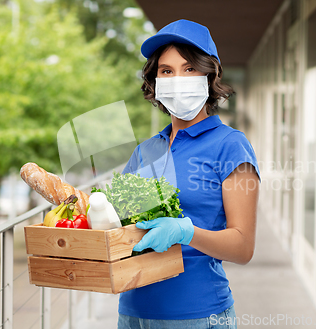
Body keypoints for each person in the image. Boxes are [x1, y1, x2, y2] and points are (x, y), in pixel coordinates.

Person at [118, 19, 260, 329]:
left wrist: (186, 233)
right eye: (167, 71)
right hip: (132, 313)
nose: (177, 78)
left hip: (196, 316)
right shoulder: (146, 150)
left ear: (210, 76)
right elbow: (121, 225)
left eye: (189, 68)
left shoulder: (231, 146)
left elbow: (243, 246)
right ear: (155, 81)